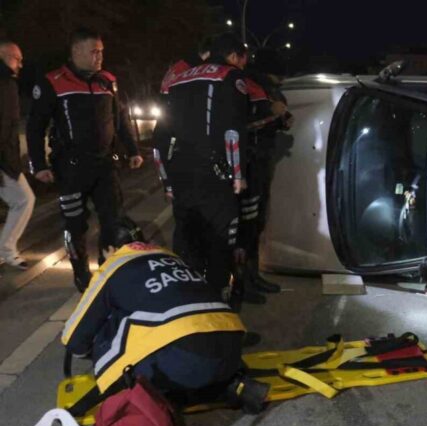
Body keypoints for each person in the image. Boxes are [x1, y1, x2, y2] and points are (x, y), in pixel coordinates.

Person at [61, 218, 248, 405]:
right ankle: (213, 386)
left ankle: (133, 390)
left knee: (111, 324)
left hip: (184, 365)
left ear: (110, 249)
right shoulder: (171, 256)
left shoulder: (114, 266)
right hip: (232, 353)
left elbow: (75, 339)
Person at [26, 28, 143, 292]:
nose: (99, 56)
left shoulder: (107, 81)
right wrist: (39, 166)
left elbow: (120, 118)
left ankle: (108, 268)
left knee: (113, 219)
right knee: (76, 224)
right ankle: (81, 275)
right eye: (94, 51)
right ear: (76, 51)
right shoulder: (53, 82)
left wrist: (133, 149)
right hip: (71, 168)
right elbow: (35, 127)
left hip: (105, 165)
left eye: (101, 51)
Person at [153, 33, 248, 302]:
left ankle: (187, 310)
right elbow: (233, 130)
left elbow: (160, 139)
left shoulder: (179, 78)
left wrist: (167, 182)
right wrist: (238, 174)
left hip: (182, 175)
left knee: (188, 246)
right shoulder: (230, 76)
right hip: (215, 177)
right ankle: (216, 316)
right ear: (232, 56)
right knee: (219, 248)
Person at [234, 50, 289, 305]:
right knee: (245, 226)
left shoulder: (268, 88)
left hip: (262, 163)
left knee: (256, 223)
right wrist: (271, 113)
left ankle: (253, 276)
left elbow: (276, 118)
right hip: (248, 163)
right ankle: (241, 282)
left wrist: (281, 119)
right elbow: (238, 123)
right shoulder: (244, 85)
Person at [0, 40, 35, 271]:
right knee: (24, 199)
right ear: (2, 55)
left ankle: (5, 250)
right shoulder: (4, 83)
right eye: (16, 58)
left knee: (22, 199)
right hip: (3, 159)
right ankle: (6, 250)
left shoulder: (7, 82)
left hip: (5, 158)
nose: (20, 64)